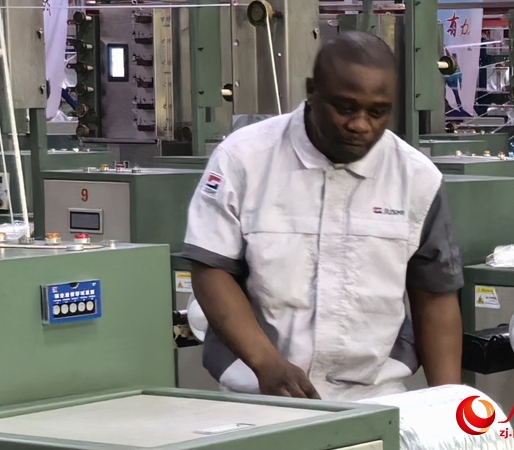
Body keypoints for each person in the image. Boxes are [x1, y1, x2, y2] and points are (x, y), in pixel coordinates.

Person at [180, 31, 464, 402]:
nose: (361, 124)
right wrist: (265, 362)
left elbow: (435, 297)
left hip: (374, 399)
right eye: (346, 108)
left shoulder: (416, 178)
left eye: (377, 112)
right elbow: (210, 270)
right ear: (312, 90)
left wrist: (448, 408)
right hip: (258, 394)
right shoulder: (243, 159)